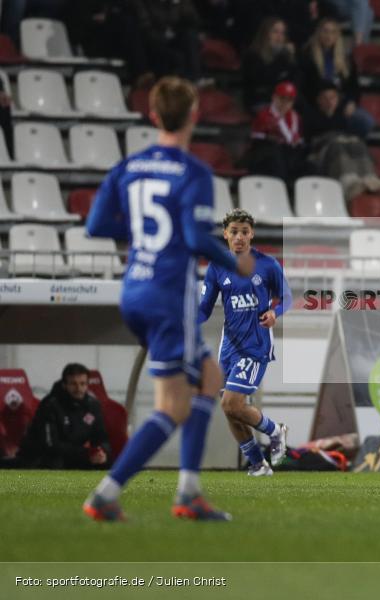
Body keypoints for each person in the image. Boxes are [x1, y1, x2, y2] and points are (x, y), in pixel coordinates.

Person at [83, 76, 254, 522]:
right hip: (167, 294)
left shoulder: (129, 167)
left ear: (153, 115)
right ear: (194, 114)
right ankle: (107, 493)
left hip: (134, 290)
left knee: (210, 375)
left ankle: (189, 491)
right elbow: (197, 236)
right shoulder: (193, 172)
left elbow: (96, 226)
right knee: (172, 407)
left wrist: (143, 235)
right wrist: (235, 262)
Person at [198, 208, 291, 477]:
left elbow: (287, 297)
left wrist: (275, 312)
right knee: (230, 409)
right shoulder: (217, 266)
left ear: (252, 235)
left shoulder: (267, 264)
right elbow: (204, 309)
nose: (239, 237)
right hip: (229, 346)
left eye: (244, 232)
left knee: (232, 403)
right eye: (234, 232)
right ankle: (258, 464)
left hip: (255, 344)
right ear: (226, 235)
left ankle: (275, 431)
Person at [304, 82, 380, 199]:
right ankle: (349, 184)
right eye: (325, 98)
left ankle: (370, 178)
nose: (329, 102)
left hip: (340, 142)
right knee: (337, 145)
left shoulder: (343, 115)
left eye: (332, 98)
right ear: (319, 100)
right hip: (320, 152)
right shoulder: (311, 114)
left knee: (358, 143)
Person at [17, 364, 111, 469]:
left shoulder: (93, 406)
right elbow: (51, 445)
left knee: (106, 463)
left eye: (82, 384)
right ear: (64, 385)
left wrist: (101, 452)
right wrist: (85, 453)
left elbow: (102, 438)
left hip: (74, 455)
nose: (78, 388)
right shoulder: (50, 405)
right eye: (73, 384)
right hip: (40, 457)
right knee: (55, 462)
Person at [298, 18, 374, 140]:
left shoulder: (346, 59)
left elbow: (354, 87)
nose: (329, 36)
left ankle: (350, 145)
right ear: (318, 33)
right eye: (325, 31)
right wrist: (318, 103)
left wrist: (351, 103)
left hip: (341, 106)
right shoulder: (307, 57)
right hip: (316, 106)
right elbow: (303, 88)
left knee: (365, 121)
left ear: (337, 35)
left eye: (333, 32)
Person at [243, 81, 313, 186]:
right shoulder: (264, 114)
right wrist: (269, 137)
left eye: (289, 100)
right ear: (274, 97)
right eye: (282, 98)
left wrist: (297, 141)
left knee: (310, 166)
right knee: (276, 156)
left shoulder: (295, 117)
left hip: (289, 153)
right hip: (266, 154)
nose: (284, 103)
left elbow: (297, 137)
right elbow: (255, 137)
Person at [242, 17, 301, 113]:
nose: (279, 36)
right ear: (265, 34)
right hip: (261, 100)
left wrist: (291, 58)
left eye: (282, 33)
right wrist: (282, 57)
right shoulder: (253, 55)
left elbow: (295, 78)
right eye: (275, 32)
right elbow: (263, 79)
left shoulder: (285, 55)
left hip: (284, 99)